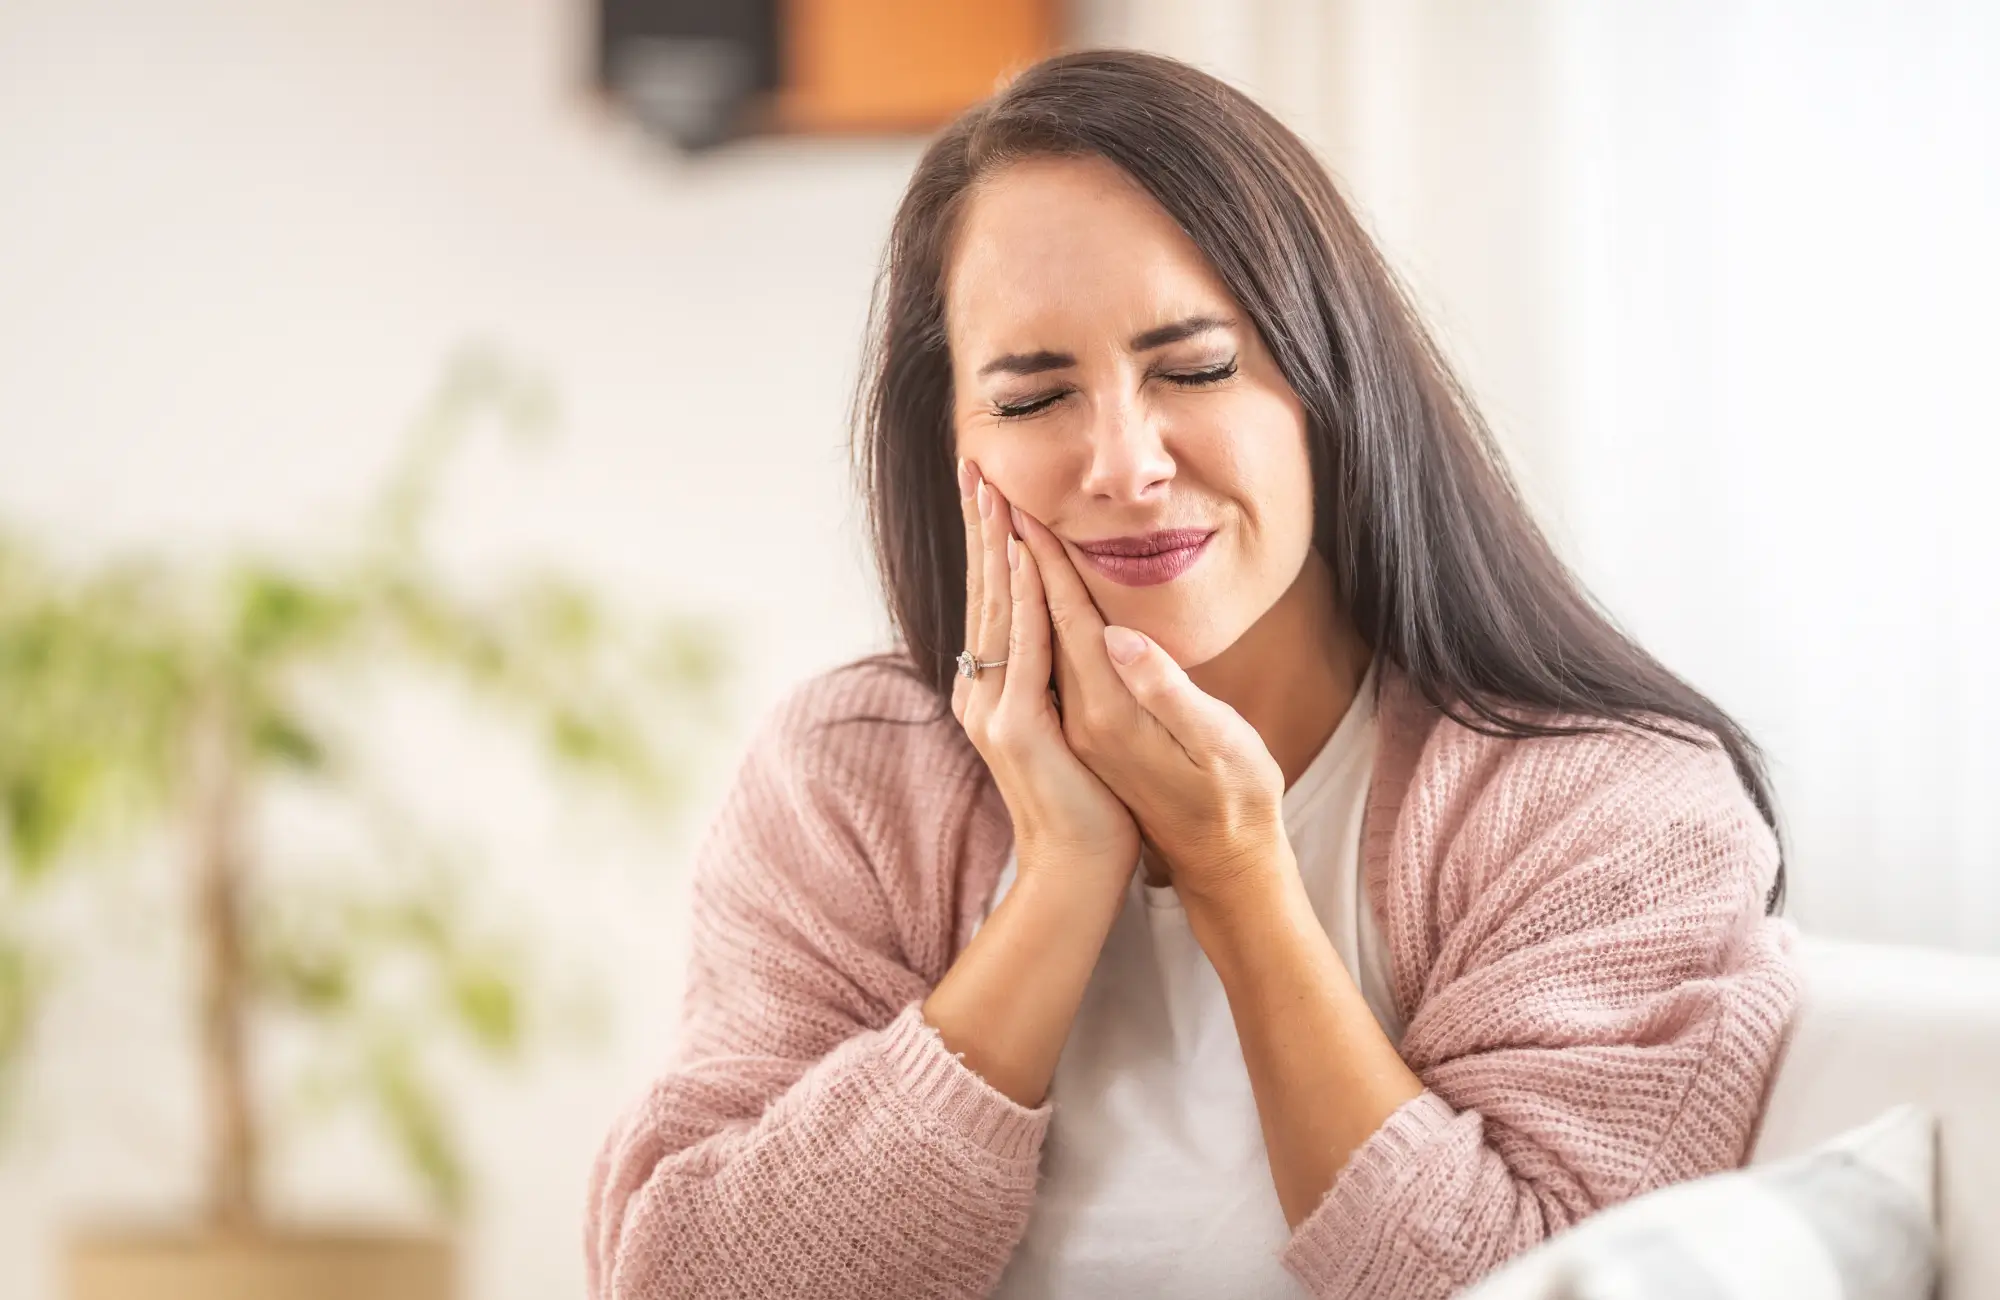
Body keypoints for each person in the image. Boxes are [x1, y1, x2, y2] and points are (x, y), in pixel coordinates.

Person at [583, 48, 1799, 1300]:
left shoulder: (1605, 808)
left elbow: (1539, 1279)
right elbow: (683, 1277)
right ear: (949, 444)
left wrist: (1234, 875)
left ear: (1329, 384)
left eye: (1196, 368)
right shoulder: (850, 773)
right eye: (1034, 394)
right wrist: (1057, 880)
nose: (1122, 462)